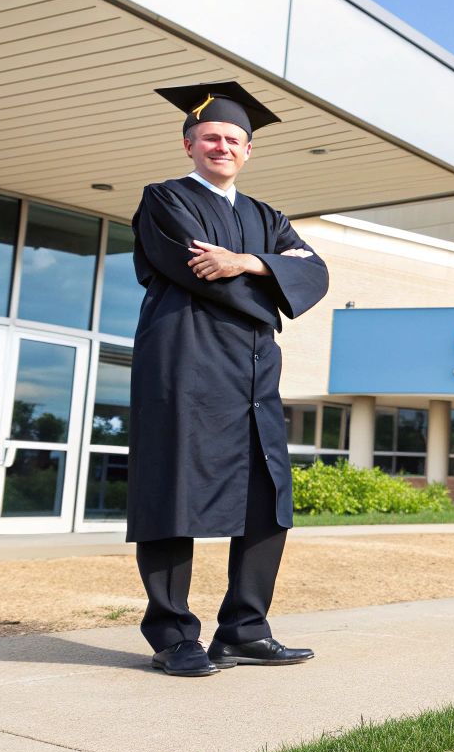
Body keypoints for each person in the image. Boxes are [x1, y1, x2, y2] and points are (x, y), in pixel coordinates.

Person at [127, 80, 330, 677]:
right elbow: (193, 267)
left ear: (248, 151)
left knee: (268, 499)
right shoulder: (164, 199)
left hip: (254, 373)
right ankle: (172, 636)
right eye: (211, 137)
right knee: (173, 493)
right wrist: (273, 284)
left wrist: (248, 262)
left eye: (233, 140)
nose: (223, 147)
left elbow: (314, 274)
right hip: (185, 364)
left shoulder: (267, 216)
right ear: (189, 143)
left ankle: (243, 630)